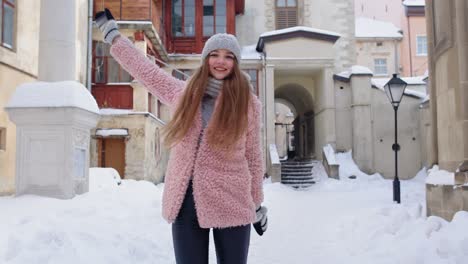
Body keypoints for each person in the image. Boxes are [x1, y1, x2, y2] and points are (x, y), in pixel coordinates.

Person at [95, 9, 268, 264]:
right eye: (214, 55)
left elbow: (253, 157)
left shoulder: (248, 104)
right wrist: (114, 37)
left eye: (229, 56)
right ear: (205, 59)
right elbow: (148, 73)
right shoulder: (185, 93)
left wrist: (257, 204)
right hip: (187, 201)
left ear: (236, 62)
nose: (221, 61)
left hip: (232, 198)